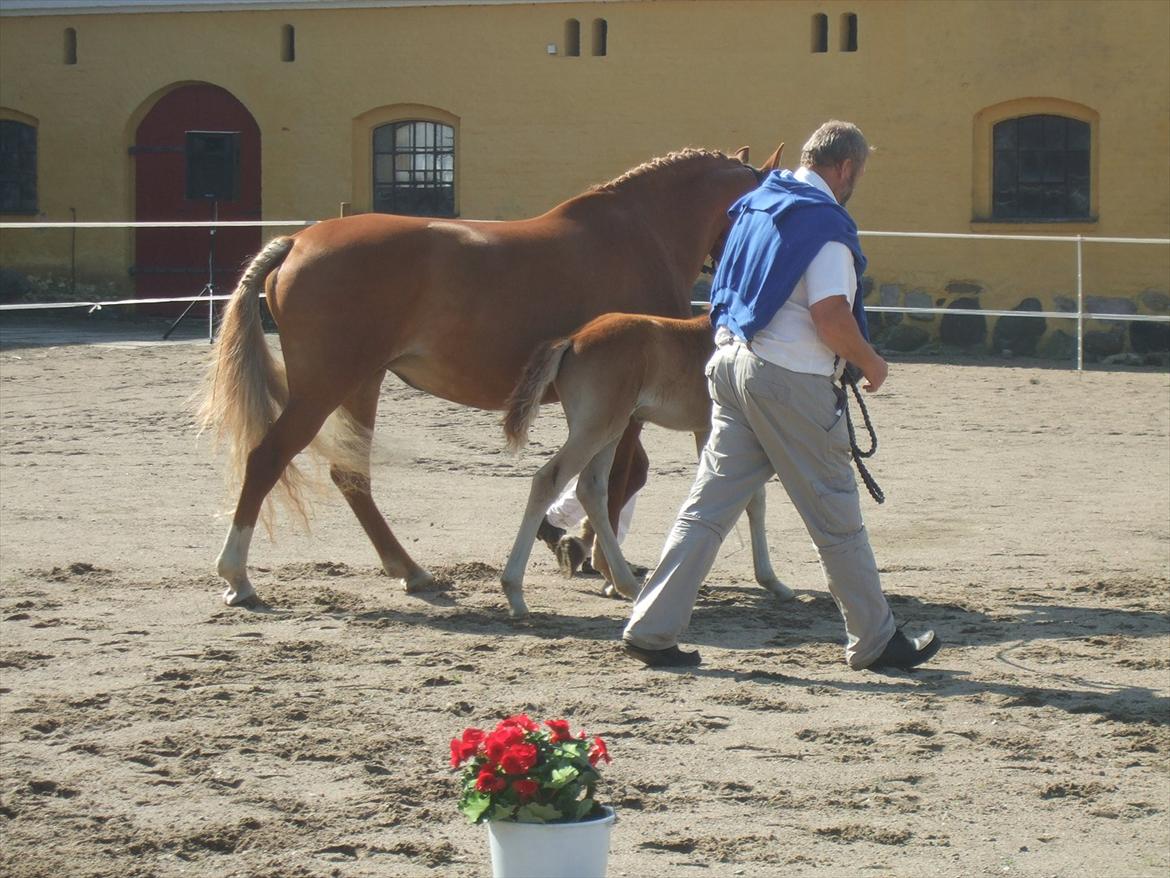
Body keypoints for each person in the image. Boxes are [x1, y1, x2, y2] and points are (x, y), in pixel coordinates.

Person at [621, 121, 942, 672]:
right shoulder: (824, 225)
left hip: (730, 364)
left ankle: (651, 629)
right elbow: (831, 316)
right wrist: (871, 361)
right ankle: (875, 641)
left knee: (707, 509)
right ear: (844, 168)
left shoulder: (756, 204)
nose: (855, 182)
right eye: (858, 173)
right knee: (836, 514)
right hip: (789, 378)